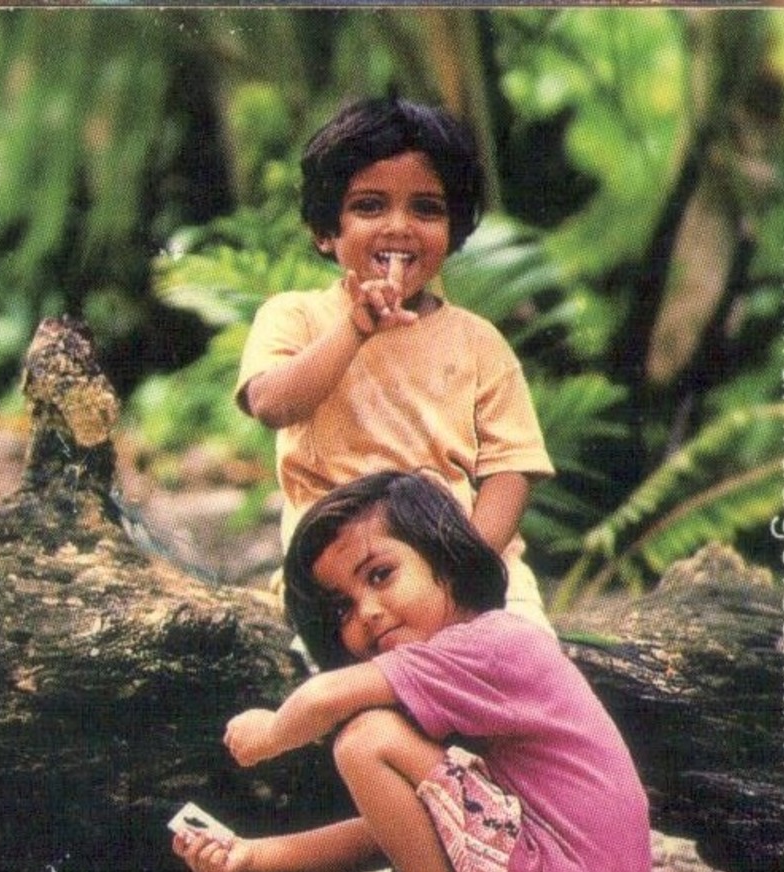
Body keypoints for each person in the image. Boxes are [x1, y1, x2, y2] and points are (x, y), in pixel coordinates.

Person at [173, 471, 650, 872]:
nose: (369, 613)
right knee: (374, 741)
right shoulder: (469, 674)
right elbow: (407, 834)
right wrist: (249, 855)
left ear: (444, 559)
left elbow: (324, 696)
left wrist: (269, 735)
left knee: (366, 737)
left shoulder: (488, 645)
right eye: (343, 607)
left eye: (380, 575)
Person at [236, 97, 555, 629]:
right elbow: (271, 403)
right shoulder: (296, 317)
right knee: (362, 693)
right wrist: (355, 329)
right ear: (325, 230)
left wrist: (464, 567)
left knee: (524, 666)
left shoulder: (478, 342)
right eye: (369, 206)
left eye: (426, 208)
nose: (399, 226)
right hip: (343, 574)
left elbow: (511, 468)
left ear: (453, 231)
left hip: (463, 567)